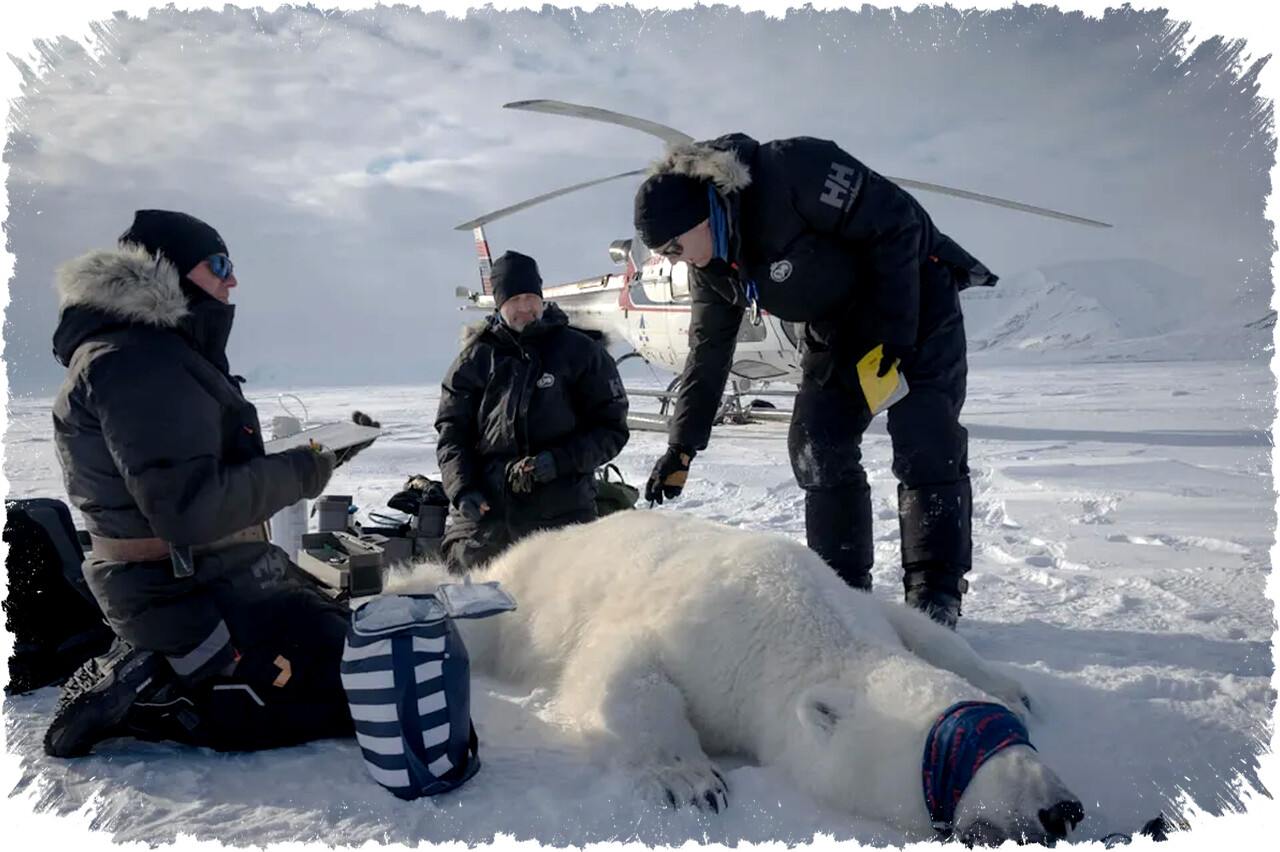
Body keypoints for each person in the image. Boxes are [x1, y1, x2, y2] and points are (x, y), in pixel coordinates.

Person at [44, 209, 375, 757]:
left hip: (219, 574)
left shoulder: (159, 354)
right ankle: (160, 687)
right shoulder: (137, 362)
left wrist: (317, 457)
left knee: (356, 639)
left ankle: (177, 667)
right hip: (179, 593)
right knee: (350, 693)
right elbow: (190, 510)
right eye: (218, 264)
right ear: (167, 272)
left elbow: (202, 476)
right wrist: (303, 470)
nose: (232, 280)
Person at [633, 134, 998, 629]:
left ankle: (935, 591)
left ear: (702, 213)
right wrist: (682, 447)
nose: (676, 259)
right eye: (664, 253)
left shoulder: (794, 171)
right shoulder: (714, 268)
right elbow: (708, 352)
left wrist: (892, 334)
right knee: (815, 443)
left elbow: (897, 221)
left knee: (924, 440)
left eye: (675, 246)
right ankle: (843, 590)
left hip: (915, 298)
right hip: (838, 329)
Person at [435, 250, 630, 572]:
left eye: (530, 297)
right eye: (514, 299)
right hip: (488, 512)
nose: (525, 306)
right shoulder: (475, 360)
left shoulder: (580, 352)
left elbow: (610, 429)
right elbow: (452, 434)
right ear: (499, 305)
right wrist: (462, 489)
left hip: (562, 510)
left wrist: (557, 461)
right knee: (468, 593)